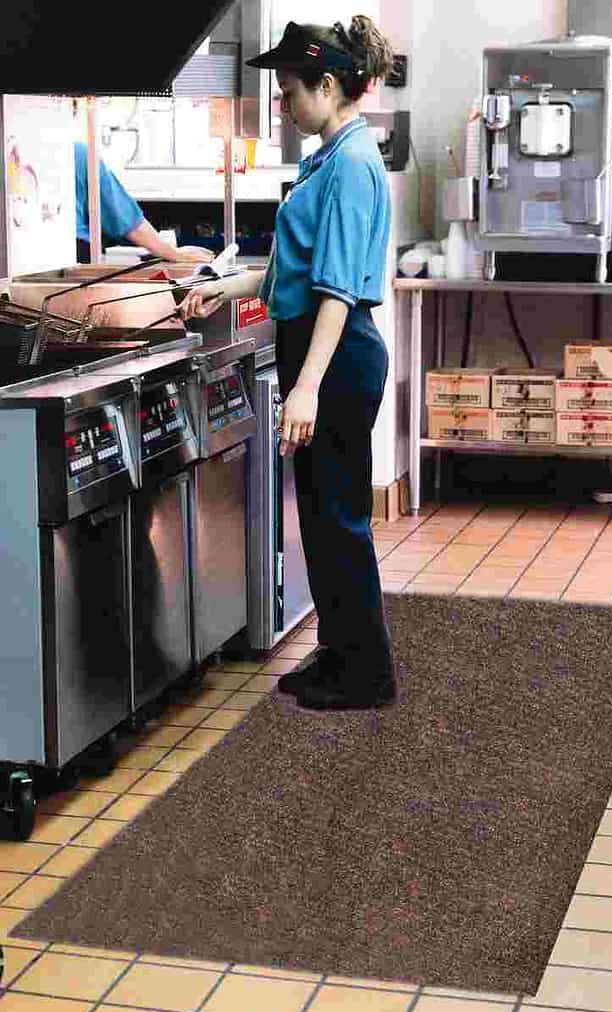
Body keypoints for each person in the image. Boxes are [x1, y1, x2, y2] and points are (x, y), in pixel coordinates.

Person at [180, 16, 396, 713]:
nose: (282, 103)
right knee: (322, 514)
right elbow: (291, 271)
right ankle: (337, 653)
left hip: (337, 357)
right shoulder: (327, 158)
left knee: (339, 517)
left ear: (328, 85)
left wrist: (304, 390)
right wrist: (222, 286)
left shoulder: (354, 166)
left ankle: (367, 673)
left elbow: (336, 293)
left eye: (288, 90)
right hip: (318, 352)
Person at [73, 140, 214, 264]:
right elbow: (126, 221)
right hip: (73, 255)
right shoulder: (79, 153)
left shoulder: (75, 152)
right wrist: (174, 253)